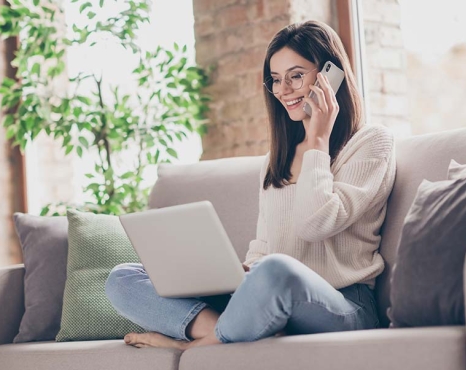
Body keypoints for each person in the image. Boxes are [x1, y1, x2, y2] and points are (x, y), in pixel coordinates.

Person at [105, 20, 396, 351]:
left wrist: (318, 137)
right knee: (123, 279)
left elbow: (315, 224)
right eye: (275, 79)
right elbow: (264, 243)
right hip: (269, 295)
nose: (283, 89)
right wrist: (242, 271)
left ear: (330, 75)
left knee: (276, 270)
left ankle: (194, 345)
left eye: (296, 75)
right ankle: (219, 329)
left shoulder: (371, 143)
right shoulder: (277, 158)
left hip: (343, 306)